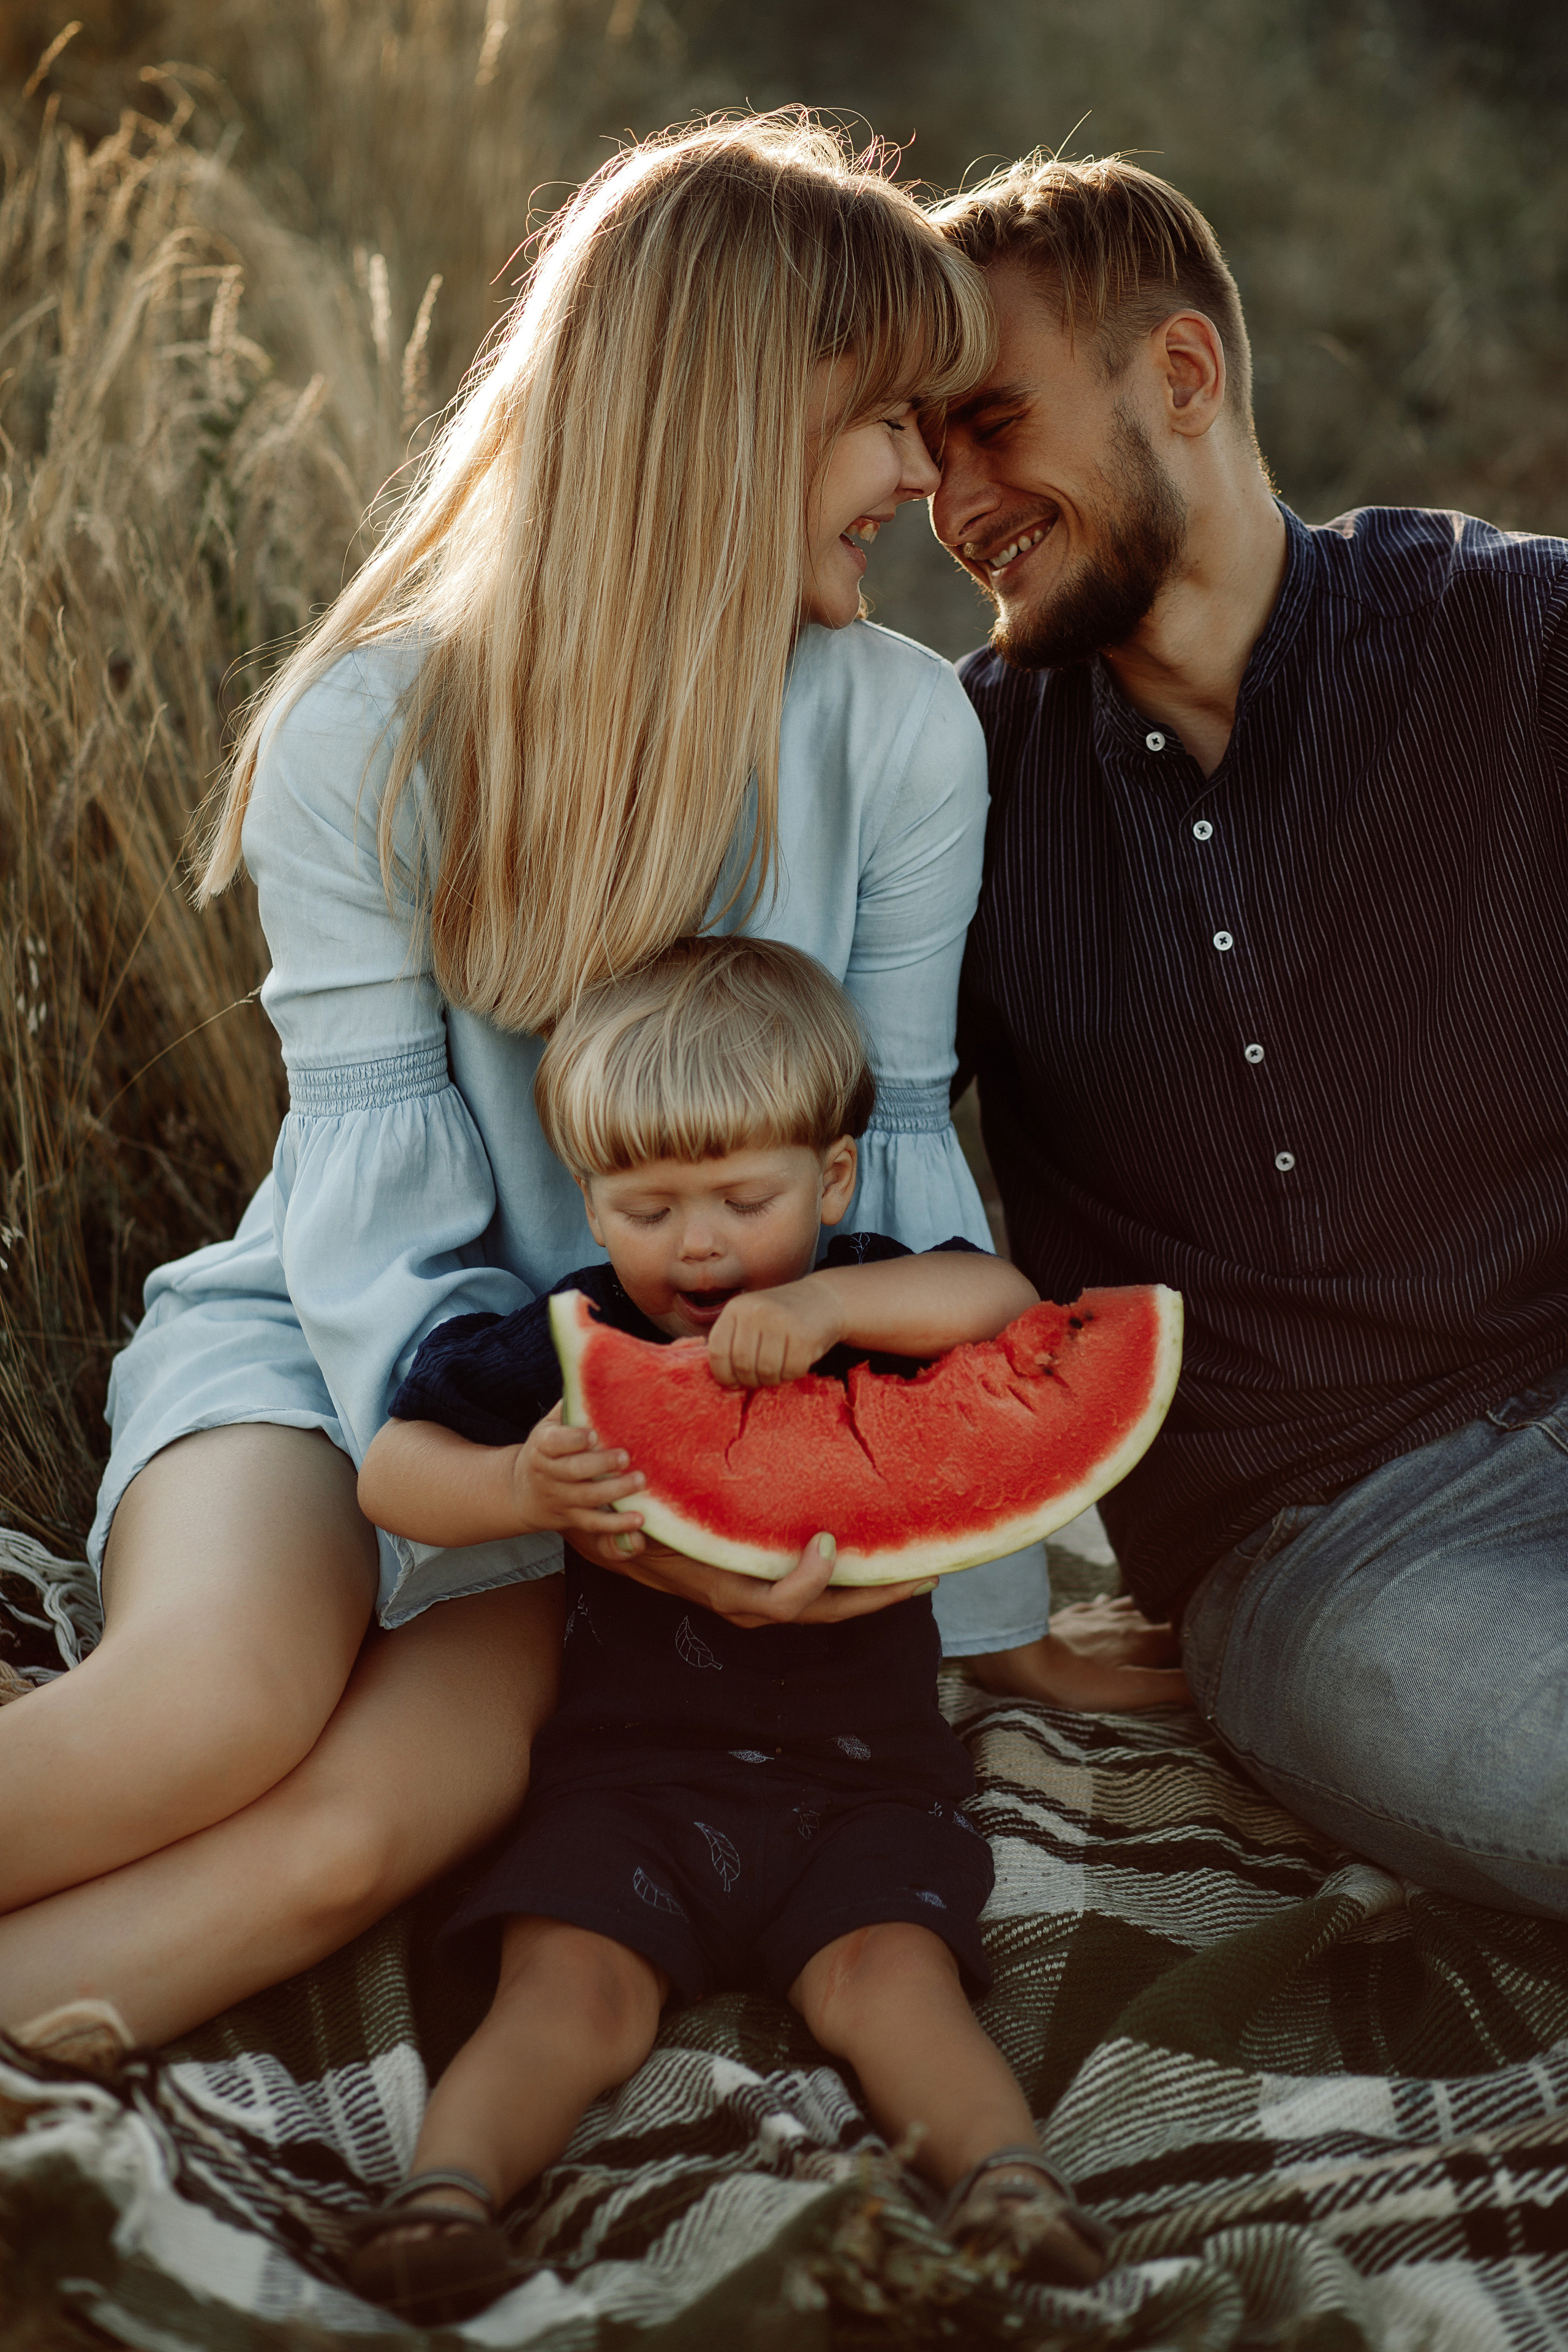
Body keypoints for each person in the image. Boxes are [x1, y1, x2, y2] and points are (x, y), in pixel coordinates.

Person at [0, 115, 1158, 2061]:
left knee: (365, 1832)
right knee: (218, 1713)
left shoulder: (894, 732)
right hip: (335, 1363)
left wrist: (959, 1586)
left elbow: (890, 1153)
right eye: (880, 416)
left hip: (644, 1437)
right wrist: (494, 1463)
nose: (916, 475)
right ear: (716, 411)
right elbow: (372, 1216)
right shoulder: (369, 733)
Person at [926, 152, 1568, 1913]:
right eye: (928, 457)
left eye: (993, 423)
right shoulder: (949, 787)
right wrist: (975, 1608)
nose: (957, 500)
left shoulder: (1517, 640)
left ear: (1183, 378)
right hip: (1338, 1552)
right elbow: (852, 1177)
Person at [337, 937, 1108, 2323]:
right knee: (565, 1996)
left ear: (830, 1181)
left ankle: (1007, 2185)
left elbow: (1005, 1310)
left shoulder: (871, 1302)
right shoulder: (571, 1339)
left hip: (863, 1788)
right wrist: (515, 1484)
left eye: (742, 1199)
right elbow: (391, 1467)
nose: (695, 1244)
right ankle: (439, 2202)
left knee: (895, 1986)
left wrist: (818, 1305)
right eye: (641, 1208)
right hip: (627, 1785)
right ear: (586, 1200)